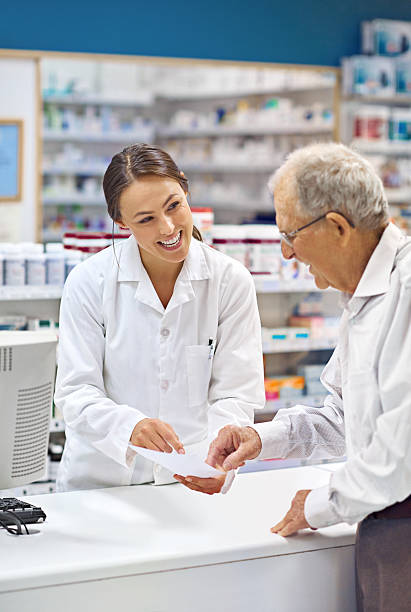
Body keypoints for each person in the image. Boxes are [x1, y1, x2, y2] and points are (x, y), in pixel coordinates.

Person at [206, 143, 411, 612]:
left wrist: (319, 505)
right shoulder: (363, 296)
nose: (285, 251)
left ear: (338, 227)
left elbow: (399, 455)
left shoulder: (406, 294)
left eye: (290, 234)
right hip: (382, 525)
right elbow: (346, 417)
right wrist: (261, 438)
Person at [55, 143, 265, 494]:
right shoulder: (90, 282)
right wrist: (128, 426)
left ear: (185, 190)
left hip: (190, 482)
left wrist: (219, 458)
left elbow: (235, 394)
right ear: (121, 222)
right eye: (146, 219)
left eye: (174, 206)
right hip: (101, 487)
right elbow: (76, 392)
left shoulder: (229, 281)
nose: (168, 228)